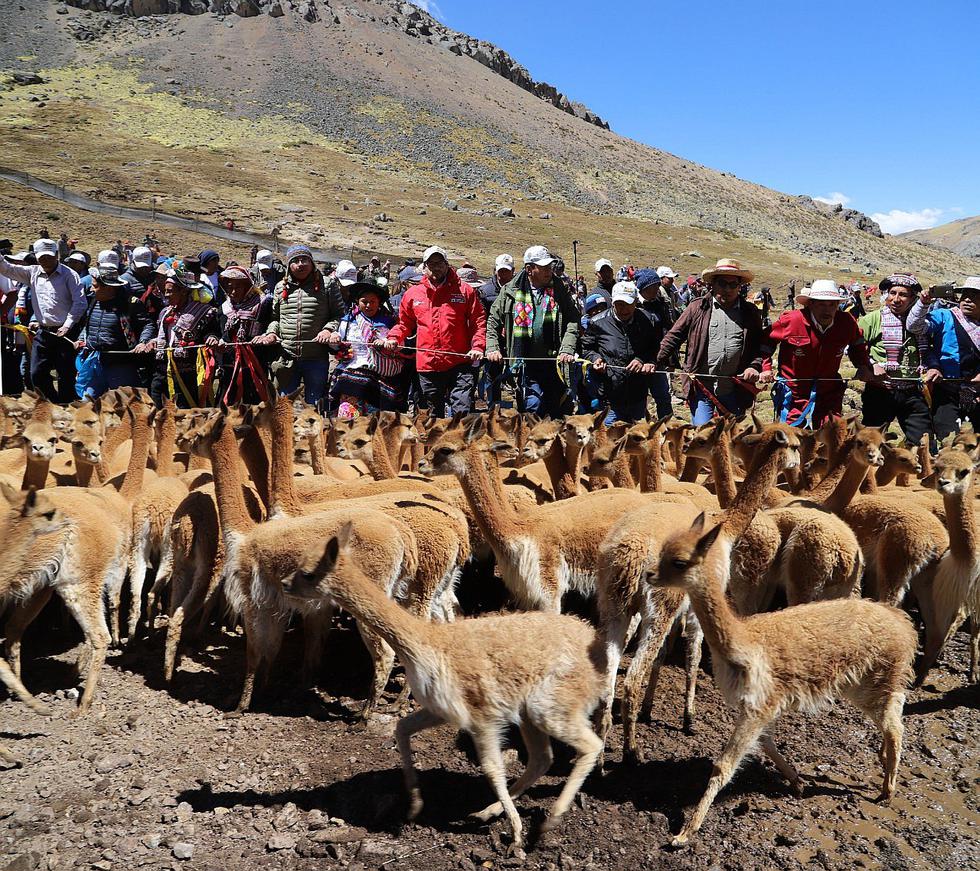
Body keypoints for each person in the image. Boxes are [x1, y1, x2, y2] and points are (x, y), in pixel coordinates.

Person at [760, 279, 880, 427]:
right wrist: (765, 368)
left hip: (829, 392)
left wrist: (863, 366)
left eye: (832, 305)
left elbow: (857, 345)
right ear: (811, 304)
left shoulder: (846, 323)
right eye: (822, 304)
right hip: (794, 393)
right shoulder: (792, 320)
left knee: (830, 436)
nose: (827, 310)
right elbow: (766, 342)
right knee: (791, 439)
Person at [382, 246, 486, 418]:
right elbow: (404, 323)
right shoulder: (413, 294)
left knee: (462, 412)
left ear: (447, 265)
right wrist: (394, 337)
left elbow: (478, 321)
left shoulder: (465, 291)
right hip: (428, 364)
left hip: (460, 362)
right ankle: (434, 445)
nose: (435, 268)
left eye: (439, 263)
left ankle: (459, 444)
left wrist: (478, 346)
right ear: (424, 268)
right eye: (431, 264)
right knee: (432, 415)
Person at [657, 258, 764, 425]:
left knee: (729, 437)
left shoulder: (750, 312)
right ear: (713, 284)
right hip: (701, 385)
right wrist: (653, 361)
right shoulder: (697, 307)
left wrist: (754, 366)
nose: (727, 289)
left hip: (734, 388)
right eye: (722, 283)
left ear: (739, 286)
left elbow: (758, 346)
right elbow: (674, 337)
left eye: (733, 285)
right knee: (702, 434)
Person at [485, 245, 579, 418]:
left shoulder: (559, 289)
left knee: (557, 408)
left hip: (554, 362)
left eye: (549, 267)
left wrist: (567, 348)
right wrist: (492, 348)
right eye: (543, 267)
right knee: (532, 408)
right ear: (529, 269)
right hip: (524, 363)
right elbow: (492, 321)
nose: (548, 271)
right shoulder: (510, 291)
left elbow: (573, 320)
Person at [256, 244, 346, 405]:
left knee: (314, 405)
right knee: (284, 405)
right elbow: (275, 318)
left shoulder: (328, 285)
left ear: (312, 262)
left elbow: (340, 315)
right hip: (286, 357)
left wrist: (328, 329)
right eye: (295, 260)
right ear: (289, 266)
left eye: (304, 259)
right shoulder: (280, 287)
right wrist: (271, 333)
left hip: (316, 357)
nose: (301, 264)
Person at [0, 237, 87, 402]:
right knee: (36, 373)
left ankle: (66, 406)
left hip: (65, 333)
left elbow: (80, 303)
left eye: (49, 256)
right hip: (43, 332)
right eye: (41, 257)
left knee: (65, 375)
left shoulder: (69, 275)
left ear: (57, 255)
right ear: (36, 256)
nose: (45, 259)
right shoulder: (32, 272)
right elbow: (7, 269)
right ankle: (51, 403)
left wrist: (68, 325)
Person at [858, 273, 931, 445]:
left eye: (903, 295)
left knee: (923, 444)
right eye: (892, 293)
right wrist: (871, 365)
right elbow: (852, 348)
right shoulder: (872, 319)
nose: (896, 299)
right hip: (880, 391)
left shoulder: (923, 323)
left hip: (914, 391)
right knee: (870, 444)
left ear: (913, 298)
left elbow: (931, 351)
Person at [907, 276, 980, 440]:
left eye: (974, 296)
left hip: (977, 392)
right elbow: (915, 326)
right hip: (947, 391)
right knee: (949, 440)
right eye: (965, 295)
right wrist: (923, 303)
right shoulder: (945, 315)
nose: (967, 300)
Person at [580, 281, 660, 423]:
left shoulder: (648, 320)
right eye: (619, 304)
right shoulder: (597, 322)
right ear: (612, 302)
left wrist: (645, 361)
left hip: (638, 394)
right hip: (609, 395)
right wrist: (595, 358)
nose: (624, 309)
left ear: (636, 302)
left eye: (629, 304)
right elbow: (586, 348)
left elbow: (654, 347)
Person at [147, 265, 220, 408]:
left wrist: (211, 338)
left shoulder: (205, 313)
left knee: (184, 415)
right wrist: (152, 342)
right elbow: (164, 337)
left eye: (170, 291)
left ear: (184, 291)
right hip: (162, 372)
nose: (166, 295)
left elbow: (210, 333)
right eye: (165, 292)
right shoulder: (165, 313)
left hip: (188, 375)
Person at [76, 263, 155, 396]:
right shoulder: (94, 302)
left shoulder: (130, 304)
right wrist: (81, 339)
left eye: (95, 286)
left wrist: (143, 341)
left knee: (125, 403)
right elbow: (88, 325)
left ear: (108, 288)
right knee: (89, 401)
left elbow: (148, 324)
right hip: (95, 362)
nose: (90, 289)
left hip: (121, 364)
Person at [330, 280, 405, 417]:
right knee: (349, 414)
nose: (369, 305)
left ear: (379, 302)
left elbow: (399, 345)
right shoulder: (347, 322)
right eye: (365, 301)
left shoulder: (389, 322)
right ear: (358, 302)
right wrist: (334, 339)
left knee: (377, 419)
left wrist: (389, 344)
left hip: (382, 373)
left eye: (373, 301)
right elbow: (337, 346)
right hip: (352, 371)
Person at [216, 265, 275, 405]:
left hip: (255, 364)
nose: (233, 291)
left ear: (247, 286)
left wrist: (265, 336)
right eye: (229, 287)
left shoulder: (262, 304)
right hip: (230, 364)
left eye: (238, 287)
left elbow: (271, 324)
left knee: (255, 405)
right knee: (227, 404)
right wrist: (219, 341)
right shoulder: (224, 308)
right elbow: (221, 333)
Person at [633, 268, 673, 418]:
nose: (658, 288)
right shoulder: (633, 304)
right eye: (654, 286)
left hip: (657, 358)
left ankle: (667, 424)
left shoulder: (660, 303)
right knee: (639, 398)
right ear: (644, 287)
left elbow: (667, 327)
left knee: (663, 395)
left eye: (658, 285)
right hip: (637, 360)